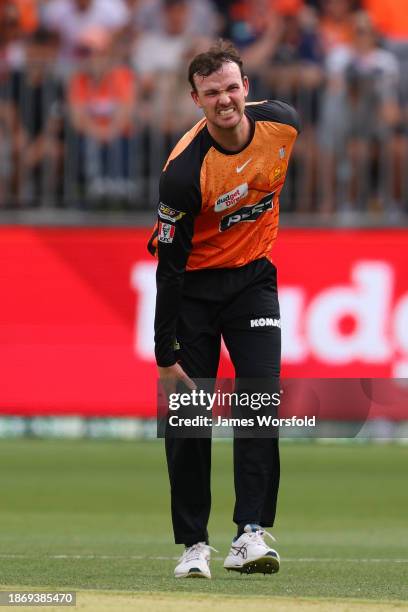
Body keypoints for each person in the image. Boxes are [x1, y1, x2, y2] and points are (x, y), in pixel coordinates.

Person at [147, 40, 299, 579]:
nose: (225, 99)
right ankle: (193, 545)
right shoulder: (184, 173)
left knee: (260, 400)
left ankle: (250, 534)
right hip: (193, 289)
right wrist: (165, 355)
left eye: (232, 87)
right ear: (196, 99)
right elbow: (167, 269)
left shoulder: (283, 125)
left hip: (253, 279)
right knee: (188, 417)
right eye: (212, 93)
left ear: (246, 89)